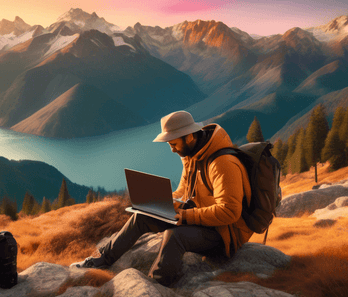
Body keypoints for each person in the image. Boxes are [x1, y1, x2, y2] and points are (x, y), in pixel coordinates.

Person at [71, 110, 253, 286]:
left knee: (174, 235)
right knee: (142, 216)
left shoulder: (222, 163)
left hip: (222, 234)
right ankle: (102, 259)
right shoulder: (192, 155)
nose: (172, 150)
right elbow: (183, 191)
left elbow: (230, 211)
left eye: (173, 144)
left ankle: (156, 283)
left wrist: (186, 217)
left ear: (189, 137)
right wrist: (162, 202)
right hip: (200, 219)